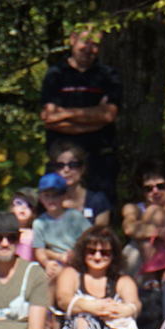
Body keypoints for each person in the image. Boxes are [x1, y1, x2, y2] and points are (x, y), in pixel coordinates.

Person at [40, 26, 122, 215]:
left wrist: (64, 114)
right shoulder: (56, 74)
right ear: (72, 40)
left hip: (100, 161)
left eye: (95, 45)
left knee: (100, 219)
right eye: (86, 42)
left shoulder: (108, 75)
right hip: (62, 163)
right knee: (55, 214)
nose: (89, 49)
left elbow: (108, 115)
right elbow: (49, 118)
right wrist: (94, 119)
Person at [120, 161, 165, 283]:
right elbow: (128, 227)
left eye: (161, 186)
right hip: (139, 260)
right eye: (149, 188)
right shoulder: (134, 208)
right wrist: (161, 232)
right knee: (154, 211)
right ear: (142, 191)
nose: (155, 191)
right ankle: (150, 276)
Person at [31, 172, 87, 276]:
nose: (51, 200)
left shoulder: (76, 216)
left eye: (55, 195)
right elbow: (39, 250)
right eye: (46, 196)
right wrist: (46, 263)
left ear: (64, 197)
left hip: (77, 261)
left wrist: (77, 254)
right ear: (41, 198)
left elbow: (89, 238)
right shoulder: (39, 223)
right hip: (55, 262)